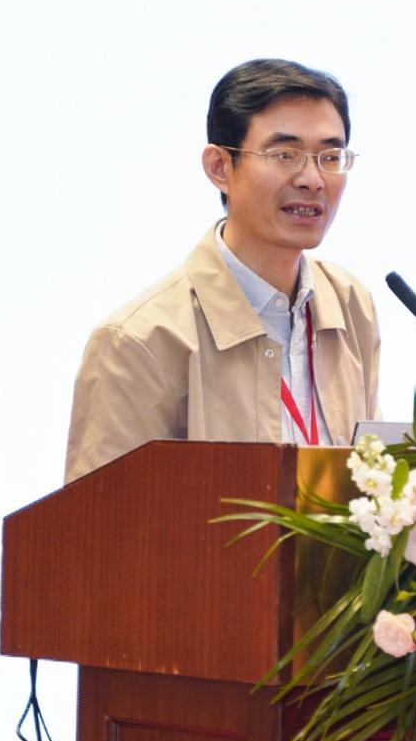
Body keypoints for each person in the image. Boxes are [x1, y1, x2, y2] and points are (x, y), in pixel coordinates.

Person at [64, 59, 380, 483]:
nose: (312, 179)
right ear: (219, 167)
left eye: (330, 156)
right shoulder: (138, 343)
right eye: (284, 155)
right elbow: (103, 517)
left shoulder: (350, 305)